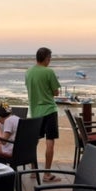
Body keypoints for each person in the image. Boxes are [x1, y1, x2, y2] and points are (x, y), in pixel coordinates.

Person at [25, 47, 60, 181]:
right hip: (49, 110)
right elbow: (56, 92)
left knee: (34, 141)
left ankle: (33, 170)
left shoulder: (28, 72)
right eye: (49, 58)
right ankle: (46, 174)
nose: (50, 61)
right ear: (46, 58)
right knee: (50, 141)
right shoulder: (48, 72)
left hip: (35, 112)